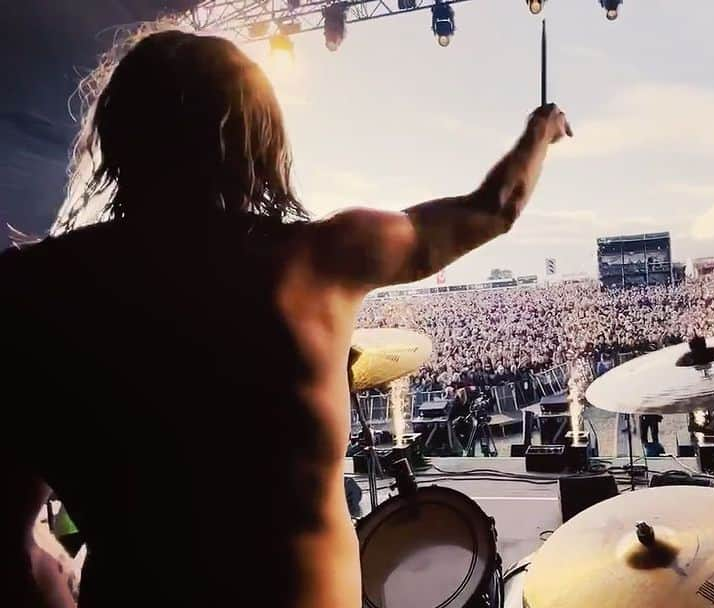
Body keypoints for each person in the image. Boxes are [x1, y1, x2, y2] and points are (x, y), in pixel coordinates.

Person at [1, 29, 570, 608]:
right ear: (258, 139)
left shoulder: (31, 288)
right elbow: (494, 209)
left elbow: (8, 537)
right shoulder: (326, 258)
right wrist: (540, 131)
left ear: (118, 135)